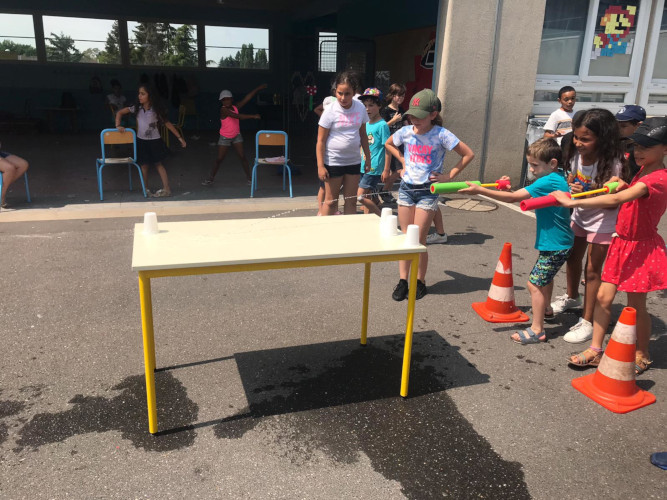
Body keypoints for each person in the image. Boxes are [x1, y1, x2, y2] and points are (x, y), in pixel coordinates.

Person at [551, 117, 667, 373]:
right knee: (603, 298)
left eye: (647, 147)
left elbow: (623, 197)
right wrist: (624, 182)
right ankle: (595, 349)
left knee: (636, 307)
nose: (638, 152)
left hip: (640, 248)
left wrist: (573, 202)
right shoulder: (641, 171)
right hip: (621, 243)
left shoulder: (658, 178)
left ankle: (642, 352)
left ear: (665, 149)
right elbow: (628, 189)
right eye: (637, 146)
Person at [460, 138, 573, 344]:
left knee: (534, 284)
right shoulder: (555, 177)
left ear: (553, 163)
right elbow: (518, 196)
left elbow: (514, 199)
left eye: (535, 165)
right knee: (544, 278)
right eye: (529, 163)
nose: (531, 169)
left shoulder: (548, 181)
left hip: (556, 243)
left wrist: (480, 190)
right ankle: (546, 308)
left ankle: (537, 330)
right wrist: (505, 190)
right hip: (557, 242)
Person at [385, 89, 474, 300]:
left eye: (420, 115)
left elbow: (468, 154)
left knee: (419, 240)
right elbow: (389, 143)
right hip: (406, 189)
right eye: (411, 115)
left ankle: (420, 281)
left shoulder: (441, 134)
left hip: (428, 191)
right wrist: (403, 161)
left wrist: (449, 175)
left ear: (433, 114)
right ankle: (403, 280)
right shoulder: (406, 131)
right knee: (406, 239)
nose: (414, 119)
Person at [549, 108, 628, 343]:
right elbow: (575, 182)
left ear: (602, 139)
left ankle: (588, 321)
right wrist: (572, 185)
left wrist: (584, 193)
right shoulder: (574, 155)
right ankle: (572, 297)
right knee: (572, 258)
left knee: (593, 271)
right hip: (581, 216)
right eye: (576, 137)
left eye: (585, 139)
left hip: (603, 222)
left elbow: (612, 204)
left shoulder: (614, 164)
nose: (578, 143)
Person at [115, 84, 186, 197]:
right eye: (139, 93)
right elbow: (119, 113)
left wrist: (179, 137)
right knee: (144, 165)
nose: (139, 96)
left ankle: (167, 189)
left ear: (150, 96)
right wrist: (118, 125)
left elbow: (167, 124)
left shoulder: (156, 110)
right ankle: (145, 189)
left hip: (155, 141)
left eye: (143, 94)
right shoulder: (136, 108)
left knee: (159, 164)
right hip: (141, 141)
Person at [317, 72, 371, 216]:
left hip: (353, 161)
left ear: (354, 92)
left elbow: (363, 135)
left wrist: (368, 158)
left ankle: (348, 233)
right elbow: (320, 141)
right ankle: (324, 232)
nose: (343, 97)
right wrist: (320, 166)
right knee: (331, 201)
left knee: (351, 201)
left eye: (347, 94)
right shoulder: (330, 110)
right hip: (333, 162)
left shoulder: (360, 108)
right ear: (335, 92)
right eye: (340, 93)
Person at [202, 84, 266, 186]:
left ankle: (249, 179)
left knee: (242, 157)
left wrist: (258, 88)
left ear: (232, 99)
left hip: (236, 135)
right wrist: (253, 116)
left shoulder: (236, 107)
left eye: (228, 99)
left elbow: (247, 98)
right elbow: (238, 116)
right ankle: (210, 178)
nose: (226, 101)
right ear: (221, 101)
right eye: (223, 100)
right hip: (225, 137)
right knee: (219, 159)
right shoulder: (223, 110)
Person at [357, 88, 390, 216]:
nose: (367, 109)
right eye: (365, 106)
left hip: (374, 167)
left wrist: (386, 169)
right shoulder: (365, 123)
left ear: (379, 106)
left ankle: (381, 218)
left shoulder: (382, 125)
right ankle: (368, 219)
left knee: (360, 196)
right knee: (367, 196)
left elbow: (388, 148)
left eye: (371, 105)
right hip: (364, 165)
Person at [379, 83, 407, 204]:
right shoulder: (385, 110)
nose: (400, 98)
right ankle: (384, 191)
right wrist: (393, 120)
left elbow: (406, 124)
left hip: (401, 143)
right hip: (390, 144)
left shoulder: (402, 109)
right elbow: (381, 126)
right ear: (392, 95)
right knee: (398, 170)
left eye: (402, 96)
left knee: (397, 170)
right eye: (398, 95)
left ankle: (386, 191)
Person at [615, 104, 646, 178]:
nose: (618, 129)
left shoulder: (643, 149)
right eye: (616, 125)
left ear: (638, 125)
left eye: (623, 126)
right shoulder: (615, 142)